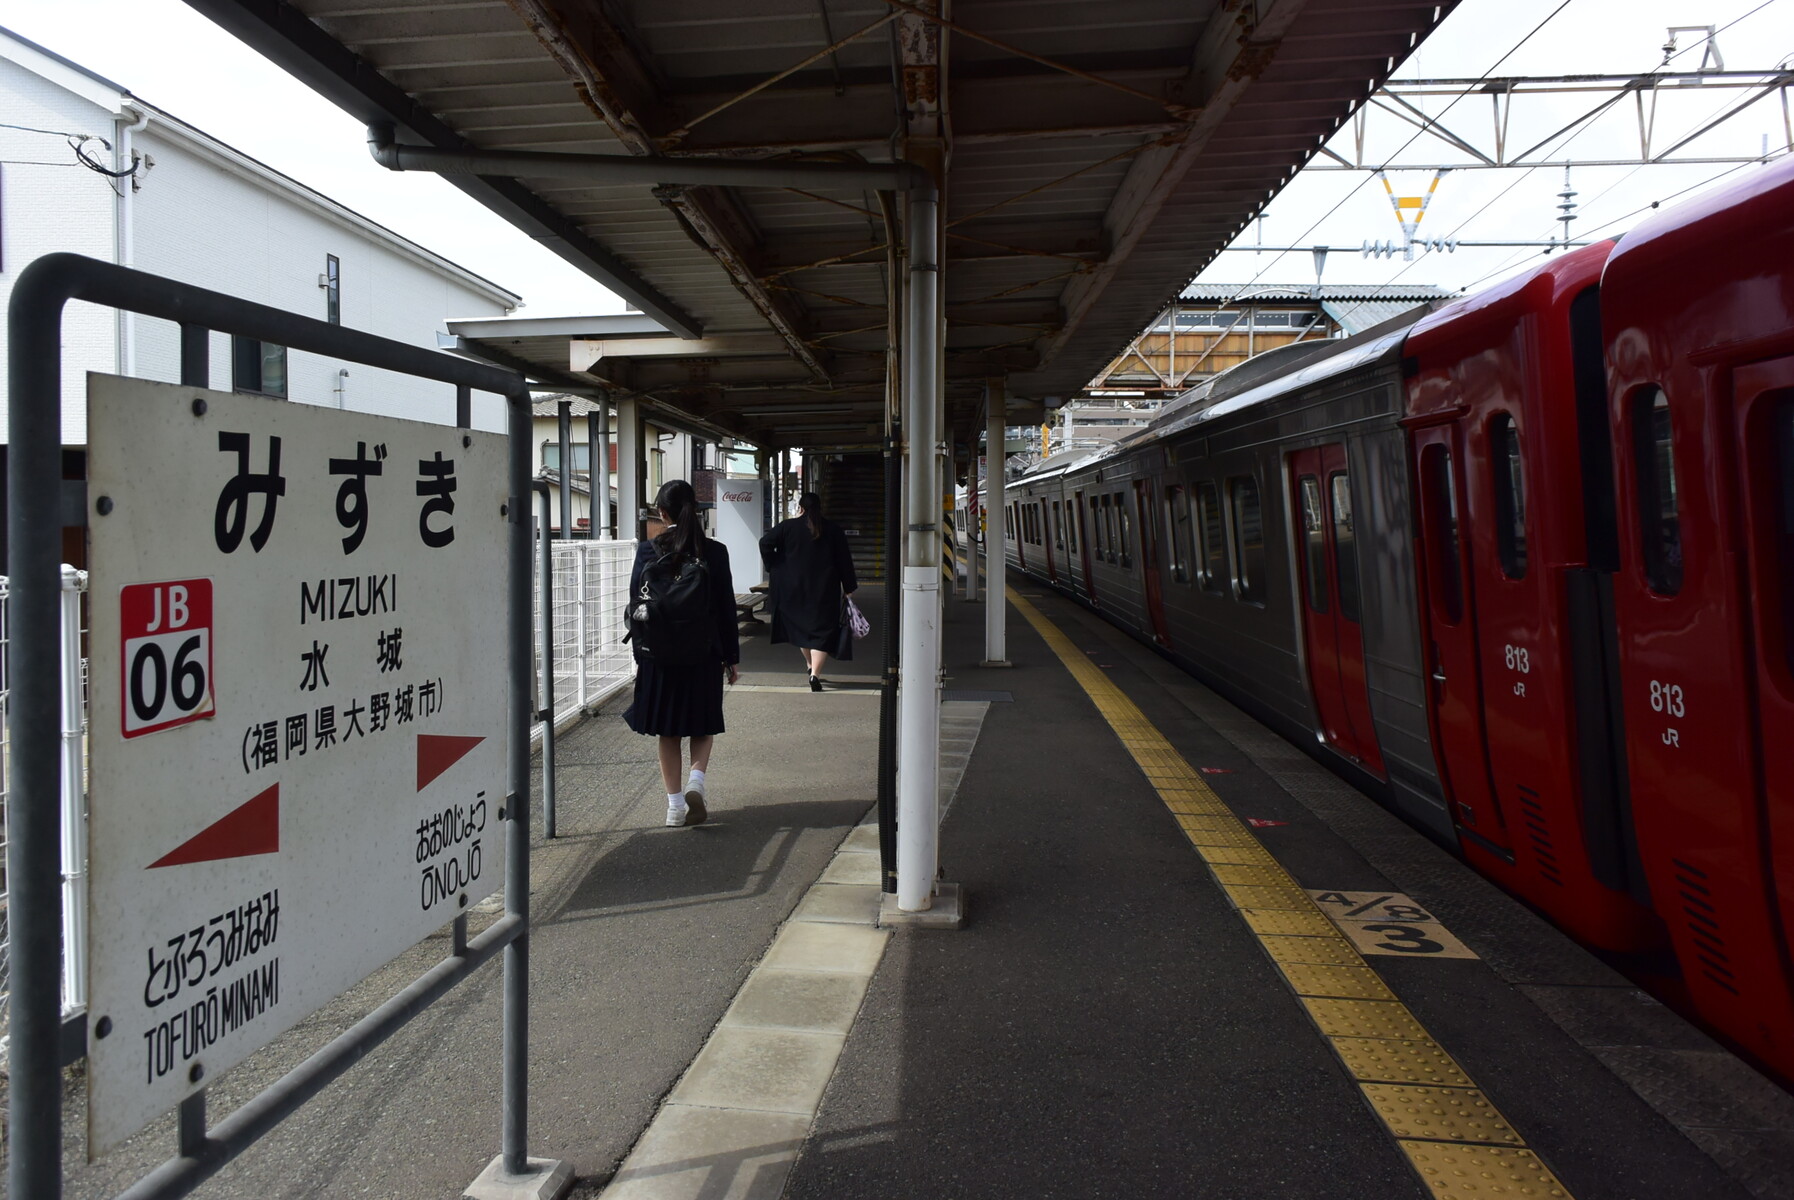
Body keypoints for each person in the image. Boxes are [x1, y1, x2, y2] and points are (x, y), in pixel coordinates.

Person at [623, 479, 741, 828]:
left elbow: (637, 605)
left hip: (659, 656)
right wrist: (731, 658)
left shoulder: (648, 551)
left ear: (663, 513)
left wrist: (641, 655)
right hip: (704, 652)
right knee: (701, 725)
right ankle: (696, 783)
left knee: (668, 731)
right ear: (695, 509)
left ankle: (675, 807)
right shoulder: (715, 552)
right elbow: (726, 608)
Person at [760, 491, 858, 691]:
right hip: (824, 590)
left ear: (801, 508)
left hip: (792, 588)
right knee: (822, 633)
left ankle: (809, 665)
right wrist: (848, 588)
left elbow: (765, 543)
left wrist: (775, 565)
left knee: (802, 630)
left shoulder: (787, 527)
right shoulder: (833, 530)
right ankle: (815, 674)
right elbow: (844, 561)